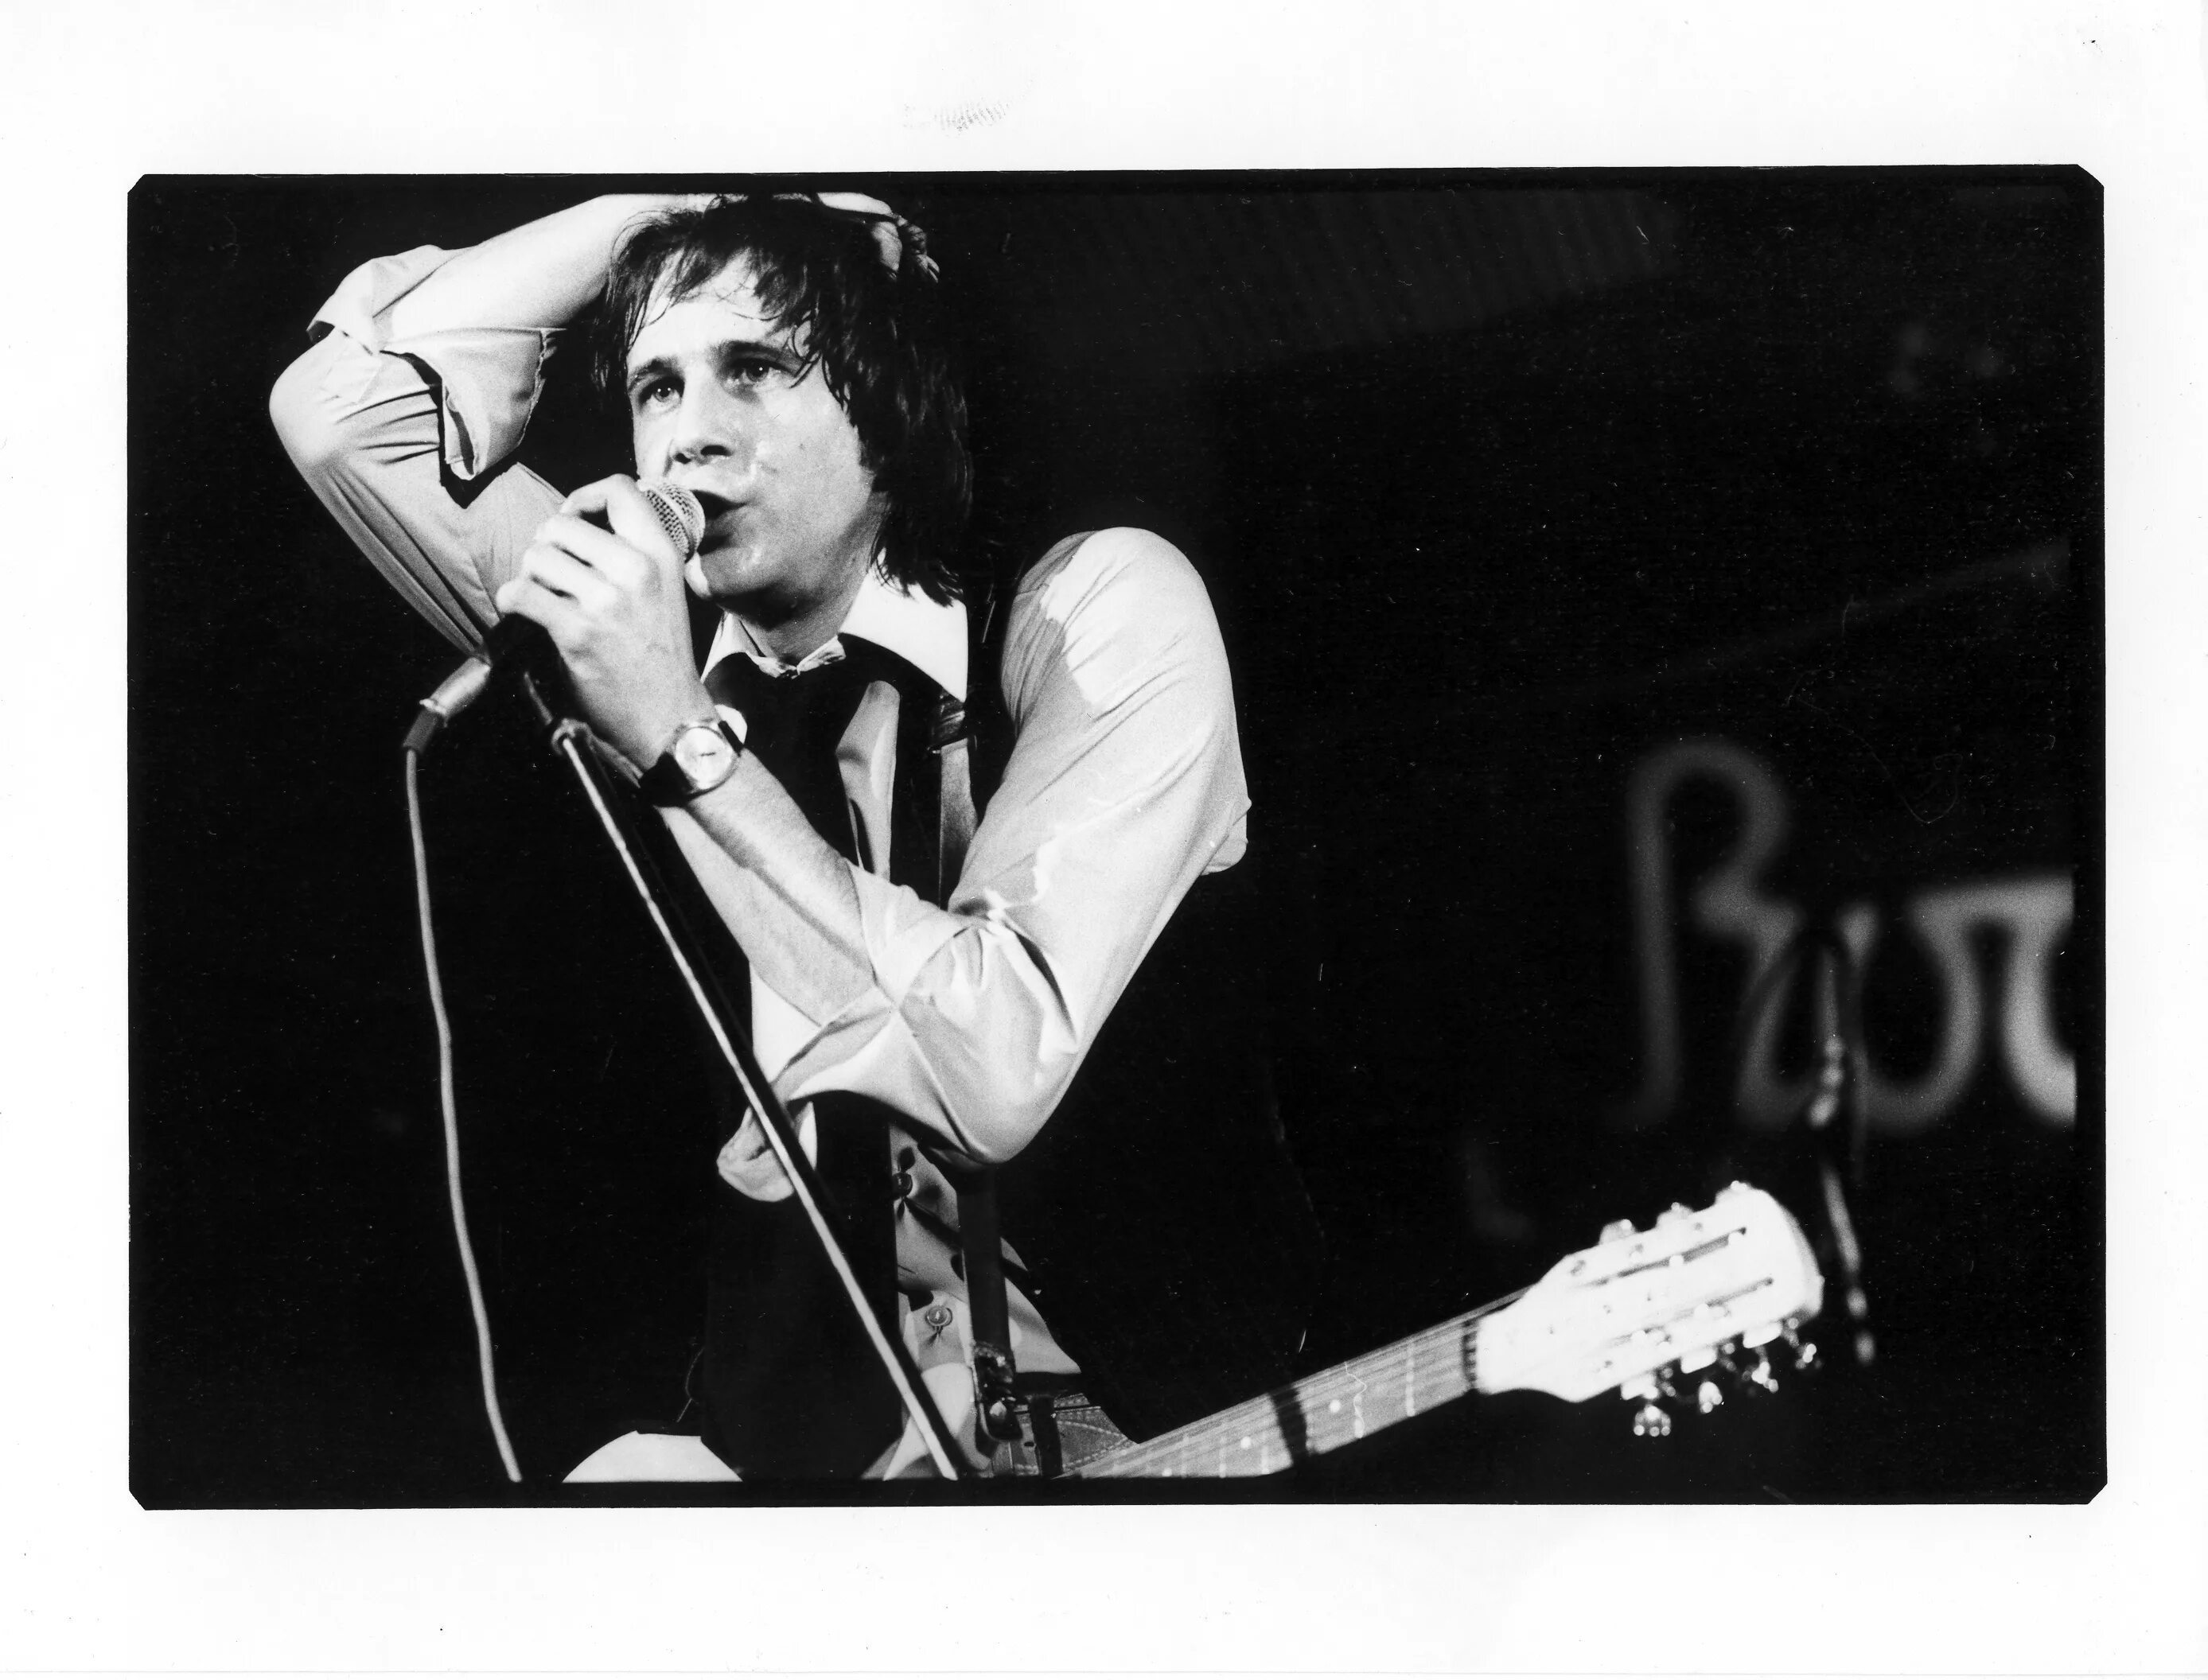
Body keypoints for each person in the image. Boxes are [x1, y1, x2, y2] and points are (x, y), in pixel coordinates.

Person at [271, 189, 1320, 1480]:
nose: (690, 436)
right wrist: (690, 203)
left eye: (755, 368)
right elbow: (343, 414)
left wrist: (682, 742)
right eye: (657, 388)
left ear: (890, 403)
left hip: (1157, 1448)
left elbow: (992, 1069)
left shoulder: (1096, 608)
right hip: (837, 1466)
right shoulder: (653, 663)